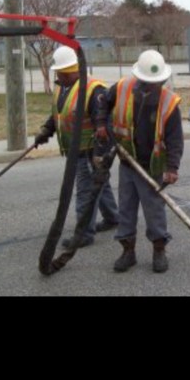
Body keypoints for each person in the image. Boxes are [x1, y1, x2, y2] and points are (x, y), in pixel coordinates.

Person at [95, 49, 184, 273]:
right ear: (140, 78)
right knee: (126, 209)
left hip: (152, 166)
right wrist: (100, 124)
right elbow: (103, 102)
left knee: (154, 211)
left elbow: (175, 139)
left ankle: (159, 250)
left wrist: (172, 167)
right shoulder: (122, 88)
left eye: (157, 82)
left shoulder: (169, 103)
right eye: (148, 82)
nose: (153, 86)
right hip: (127, 161)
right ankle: (128, 251)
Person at [34, 46, 120, 248]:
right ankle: (113, 218)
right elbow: (59, 113)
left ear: (73, 70)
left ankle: (83, 234)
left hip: (91, 150)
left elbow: (106, 125)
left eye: (62, 73)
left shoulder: (94, 90)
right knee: (100, 185)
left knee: (85, 191)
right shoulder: (62, 86)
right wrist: (46, 130)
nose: (59, 76)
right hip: (75, 149)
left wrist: (101, 156)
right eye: (58, 73)